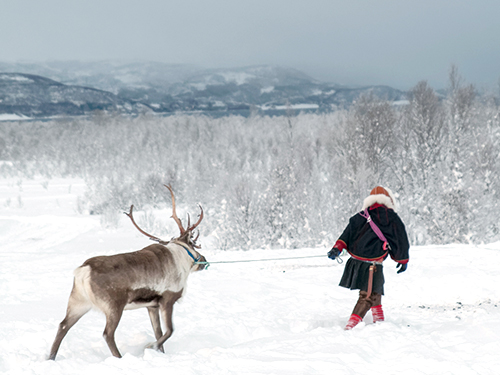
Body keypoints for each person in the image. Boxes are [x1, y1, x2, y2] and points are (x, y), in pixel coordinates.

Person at [328, 186, 410, 330]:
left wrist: (336, 249)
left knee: (376, 290)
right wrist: (402, 260)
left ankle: (379, 322)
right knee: (367, 296)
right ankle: (350, 327)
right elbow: (400, 239)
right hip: (373, 263)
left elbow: (347, 234)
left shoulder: (361, 215)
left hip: (356, 261)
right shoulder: (391, 217)